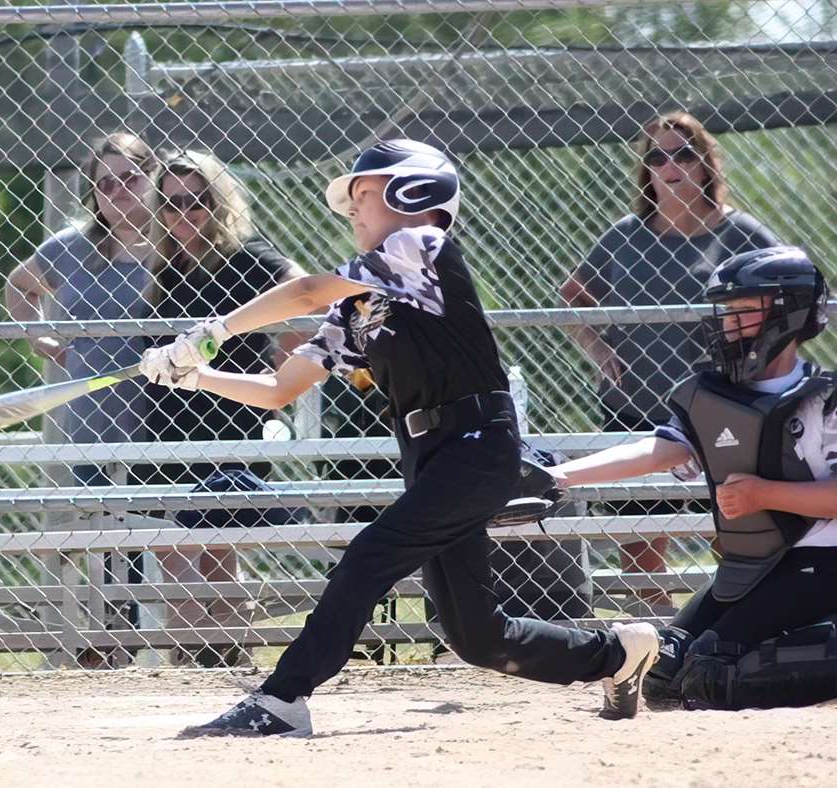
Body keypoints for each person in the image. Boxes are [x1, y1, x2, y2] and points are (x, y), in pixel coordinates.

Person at [140, 139, 660, 737]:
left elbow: (308, 291)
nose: (354, 210)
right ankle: (619, 653)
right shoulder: (360, 305)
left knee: (368, 557)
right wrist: (195, 375)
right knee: (479, 637)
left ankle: (282, 699)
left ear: (415, 194)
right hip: (432, 458)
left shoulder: (423, 245)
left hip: (475, 444)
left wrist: (212, 330)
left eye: (364, 194)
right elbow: (281, 388)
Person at [548, 246, 837, 710]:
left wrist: (764, 494)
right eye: (727, 311)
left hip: (824, 564)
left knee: (712, 673)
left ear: (789, 311)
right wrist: (557, 476)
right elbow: (660, 450)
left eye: (744, 309)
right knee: (664, 673)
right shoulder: (713, 395)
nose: (729, 322)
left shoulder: (825, 398)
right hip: (754, 567)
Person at [559, 112, 781, 610]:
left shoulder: (740, 232)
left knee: (735, 527)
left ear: (704, 165)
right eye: (657, 156)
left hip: (722, 406)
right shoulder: (627, 234)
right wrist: (598, 347)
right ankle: (660, 641)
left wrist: (756, 362)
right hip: (635, 403)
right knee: (640, 537)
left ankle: (733, 624)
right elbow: (573, 295)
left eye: (682, 153)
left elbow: (791, 291)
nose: (669, 165)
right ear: (647, 170)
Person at [142, 150, 309, 667]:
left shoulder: (248, 256)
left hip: (232, 418)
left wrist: (279, 381)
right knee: (175, 544)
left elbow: (308, 308)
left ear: (219, 204)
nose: (182, 216)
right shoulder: (167, 266)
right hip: (167, 420)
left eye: (196, 203)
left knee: (214, 544)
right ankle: (208, 658)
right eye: (170, 205)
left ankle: (218, 658)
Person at [4, 131, 159, 668]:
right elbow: (18, 285)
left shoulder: (172, 244)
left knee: (154, 531)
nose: (118, 191)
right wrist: (41, 338)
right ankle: (114, 639)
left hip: (161, 415)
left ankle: (186, 639)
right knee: (102, 534)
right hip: (92, 417)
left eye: (130, 178)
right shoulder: (72, 246)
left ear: (151, 177)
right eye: (105, 183)